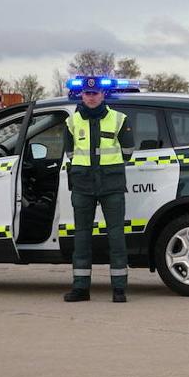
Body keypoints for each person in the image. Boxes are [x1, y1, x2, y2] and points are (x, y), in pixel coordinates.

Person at [63, 80, 134, 302]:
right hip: (83, 185)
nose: (91, 97)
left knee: (116, 236)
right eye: (87, 93)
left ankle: (119, 289)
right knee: (81, 238)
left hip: (111, 184)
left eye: (95, 93)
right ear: (81, 95)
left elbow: (128, 151)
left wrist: (106, 166)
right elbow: (70, 153)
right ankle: (81, 288)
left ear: (103, 94)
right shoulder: (71, 121)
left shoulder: (119, 119)